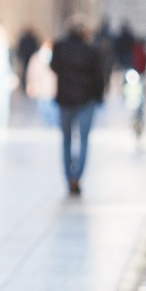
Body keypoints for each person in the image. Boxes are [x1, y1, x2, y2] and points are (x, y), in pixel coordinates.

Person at [50, 17, 104, 195]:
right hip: (85, 100)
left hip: (66, 99)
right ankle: (76, 177)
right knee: (83, 139)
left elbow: (54, 67)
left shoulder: (60, 48)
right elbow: (98, 76)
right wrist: (98, 96)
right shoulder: (90, 50)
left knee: (66, 139)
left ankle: (69, 176)